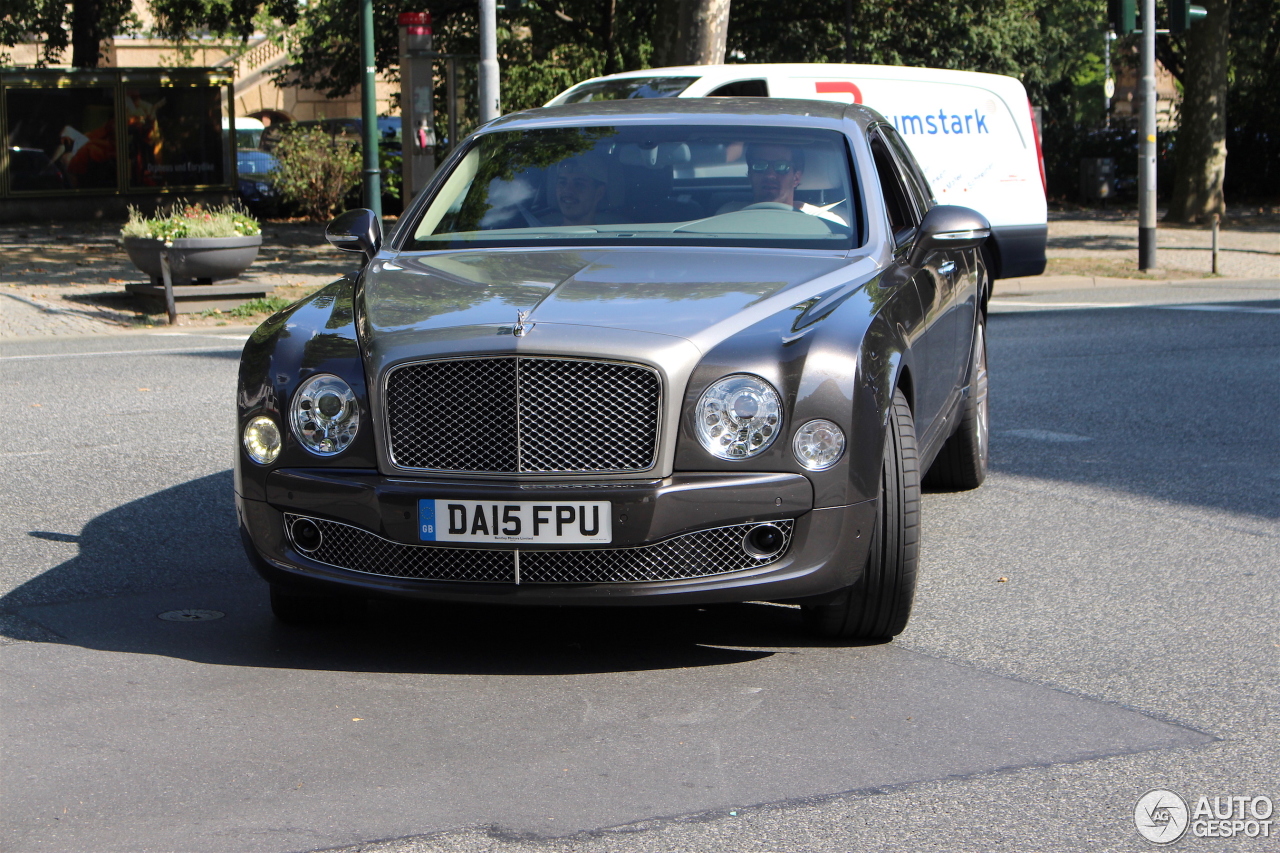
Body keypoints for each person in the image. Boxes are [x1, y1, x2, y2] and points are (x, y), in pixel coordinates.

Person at [719, 143, 846, 226]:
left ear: (796, 177)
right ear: (750, 174)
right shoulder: (728, 216)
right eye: (759, 165)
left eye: (781, 166)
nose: (770, 174)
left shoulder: (825, 223)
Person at [551, 153, 610, 226]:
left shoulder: (621, 231)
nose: (568, 190)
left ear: (599, 193)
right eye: (562, 183)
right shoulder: (537, 231)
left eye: (578, 184)